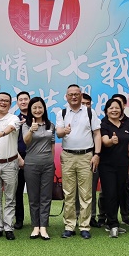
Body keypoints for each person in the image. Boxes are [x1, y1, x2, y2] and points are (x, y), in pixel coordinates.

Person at [56, 84, 102, 239]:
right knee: (68, 193)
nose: (74, 97)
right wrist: (64, 131)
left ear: (81, 96)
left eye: (76, 94)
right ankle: (69, 226)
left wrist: (97, 154)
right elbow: (59, 133)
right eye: (71, 94)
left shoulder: (89, 112)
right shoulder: (62, 113)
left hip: (86, 156)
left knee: (86, 193)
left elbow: (97, 134)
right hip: (68, 155)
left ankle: (84, 226)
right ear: (66, 97)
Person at [0, 92, 22, 240]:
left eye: (6, 101)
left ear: (10, 103)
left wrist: (1, 133)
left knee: (10, 198)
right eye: (0, 100)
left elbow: (11, 128)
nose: (3, 103)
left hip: (10, 164)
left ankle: (8, 228)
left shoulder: (14, 118)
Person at [22, 96, 55, 240]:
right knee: (33, 196)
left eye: (40, 107)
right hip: (31, 164)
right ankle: (35, 226)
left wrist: (52, 161)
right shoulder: (26, 125)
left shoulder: (50, 125)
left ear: (44, 109)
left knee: (46, 197)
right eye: (34, 107)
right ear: (30, 110)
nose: (37, 110)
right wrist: (31, 130)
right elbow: (26, 141)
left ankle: (43, 227)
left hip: (48, 165)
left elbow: (52, 145)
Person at [99, 98, 129, 238]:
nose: (114, 110)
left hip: (122, 164)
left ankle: (112, 221)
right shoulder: (103, 124)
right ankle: (113, 224)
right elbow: (105, 141)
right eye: (111, 108)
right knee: (110, 193)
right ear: (106, 110)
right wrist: (111, 141)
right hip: (107, 165)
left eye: (117, 108)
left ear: (122, 109)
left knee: (119, 193)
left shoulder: (128, 124)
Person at [111, 93, 129, 227]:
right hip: (108, 163)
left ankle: (125, 216)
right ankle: (104, 216)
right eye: (113, 104)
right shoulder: (105, 121)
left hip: (124, 160)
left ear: (124, 105)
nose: (116, 107)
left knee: (125, 188)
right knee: (107, 191)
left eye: (119, 104)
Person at [81, 92, 105, 228]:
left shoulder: (94, 117)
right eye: (82, 104)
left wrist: (97, 154)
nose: (85, 106)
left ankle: (92, 216)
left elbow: (98, 136)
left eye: (87, 104)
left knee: (91, 188)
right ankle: (77, 216)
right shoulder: (71, 116)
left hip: (92, 157)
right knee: (75, 190)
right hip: (75, 156)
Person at [14, 90, 31, 230]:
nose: (23, 101)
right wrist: (19, 158)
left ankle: (37, 221)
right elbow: (11, 141)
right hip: (18, 159)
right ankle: (19, 220)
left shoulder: (37, 118)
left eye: (26, 99)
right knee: (17, 192)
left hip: (34, 159)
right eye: (21, 100)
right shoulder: (14, 120)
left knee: (35, 193)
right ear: (17, 102)